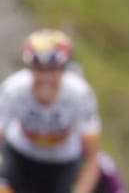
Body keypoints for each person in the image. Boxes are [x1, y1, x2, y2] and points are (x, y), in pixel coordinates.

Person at [0, 29, 103, 193]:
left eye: (53, 70)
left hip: (61, 162)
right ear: (30, 69)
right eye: (40, 69)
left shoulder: (80, 95)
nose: (46, 78)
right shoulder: (13, 90)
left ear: (64, 70)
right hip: (19, 155)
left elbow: (92, 158)